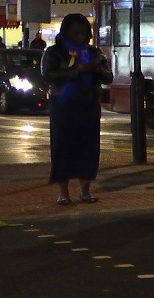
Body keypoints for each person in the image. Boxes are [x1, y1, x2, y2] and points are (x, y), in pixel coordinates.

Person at [40, 13, 112, 205]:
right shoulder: (54, 52)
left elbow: (108, 76)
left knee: (88, 147)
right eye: (75, 31)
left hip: (88, 103)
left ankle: (85, 191)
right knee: (63, 146)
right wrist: (75, 72)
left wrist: (94, 69)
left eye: (83, 31)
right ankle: (63, 192)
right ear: (66, 32)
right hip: (63, 105)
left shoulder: (94, 52)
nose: (80, 35)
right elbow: (48, 75)